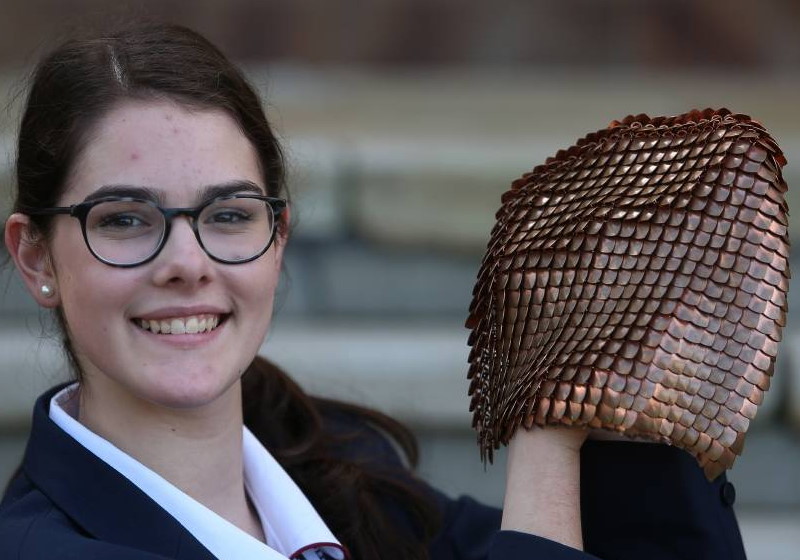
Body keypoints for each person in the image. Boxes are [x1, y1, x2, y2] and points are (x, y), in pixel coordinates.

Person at [0, 22, 747, 560]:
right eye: (127, 220)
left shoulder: (336, 465)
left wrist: (621, 390)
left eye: (229, 215)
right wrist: (544, 427)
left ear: (279, 236)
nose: (187, 262)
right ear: (36, 256)